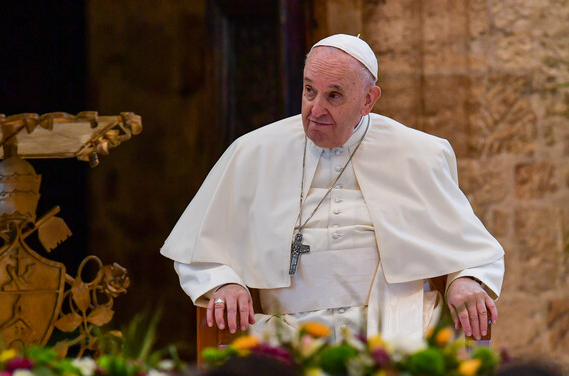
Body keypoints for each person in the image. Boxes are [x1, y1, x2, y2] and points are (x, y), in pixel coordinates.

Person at [161, 34, 504, 342]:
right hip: (282, 329)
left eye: (334, 95)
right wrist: (224, 282)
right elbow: (199, 248)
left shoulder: (419, 152)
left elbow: (472, 250)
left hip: (398, 325)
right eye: (309, 90)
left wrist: (467, 278)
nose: (315, 109)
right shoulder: (253, 151)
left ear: (368, 100)